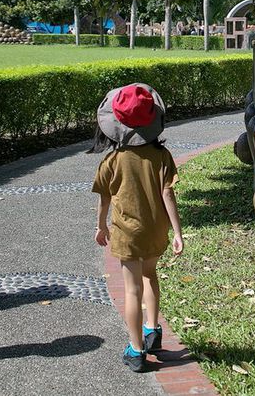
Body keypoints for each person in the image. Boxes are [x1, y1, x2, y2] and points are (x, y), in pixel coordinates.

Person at [90, 83, 184, 372]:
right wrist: (177, 232)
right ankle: (152, 330)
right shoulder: (162, 157)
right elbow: (168, 194)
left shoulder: (112, 161)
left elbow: (104, 199)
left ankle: (136, 349)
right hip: (156, 229)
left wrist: (100, 226)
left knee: (131, 290)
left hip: (127, 233)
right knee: (150, 275)